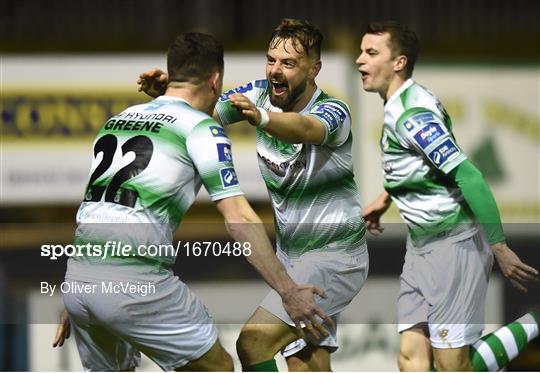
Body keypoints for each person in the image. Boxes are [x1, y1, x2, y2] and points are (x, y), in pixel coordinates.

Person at [51, 31, 332, 372]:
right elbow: (238, 217)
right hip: (136, 283)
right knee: (218, 367)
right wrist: (288, 291)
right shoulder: (201, 129)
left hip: (80, 278)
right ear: (216, 80)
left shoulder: (118, 120)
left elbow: (97, 207)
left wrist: (83, 293)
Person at [139, 19, 368, 372]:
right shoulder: (260, 92)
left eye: (288, 64)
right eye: (271, 60)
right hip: (292, 257)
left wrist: (262, 117)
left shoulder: (334, 112)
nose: (276, 70)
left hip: (335, 257)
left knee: (253, 342)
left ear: (314, 69)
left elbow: (303, 129)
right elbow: (206, 113)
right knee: (306, 363)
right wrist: (171, 95)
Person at [356, 21, 539, 371]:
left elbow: (469, 176)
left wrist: (499, 246)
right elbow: (420, 168)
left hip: (452, 248)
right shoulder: (400, 103)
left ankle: (534, 322)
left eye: (371, 52)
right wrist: (386, 199)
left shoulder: (412, 114)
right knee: (411, 359)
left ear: (399, 62)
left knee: (452, 367)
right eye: (361, 51)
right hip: (421, 248)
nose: (359, 60)